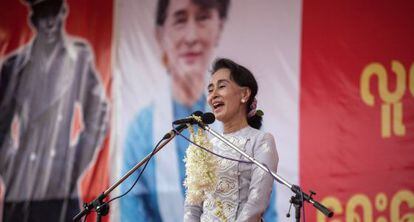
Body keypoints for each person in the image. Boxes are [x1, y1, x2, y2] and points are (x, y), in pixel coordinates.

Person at [120, 0, 231, 221]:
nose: (191, 37)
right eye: (180, 20)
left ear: (219, 27)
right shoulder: (142, 131)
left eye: (202, 18)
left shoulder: (238, 119)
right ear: (161, 34)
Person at [0, 0, 108, 221]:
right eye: (42, 15)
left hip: (60, 186)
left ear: (63, 13)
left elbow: (97, 112)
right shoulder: (14, 66)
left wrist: (72, 164)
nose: (49, 23)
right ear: (33, 21)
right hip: (21, 187)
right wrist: (9, 166)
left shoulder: (79, 57)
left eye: (54, 13)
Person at [184, 58, 279, 221]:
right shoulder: (206, 145)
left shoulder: (261, 141)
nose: (213, 95)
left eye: (221, 86)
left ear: (244, 94)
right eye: (210, 89)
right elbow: (193, 205)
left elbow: (256, 203)